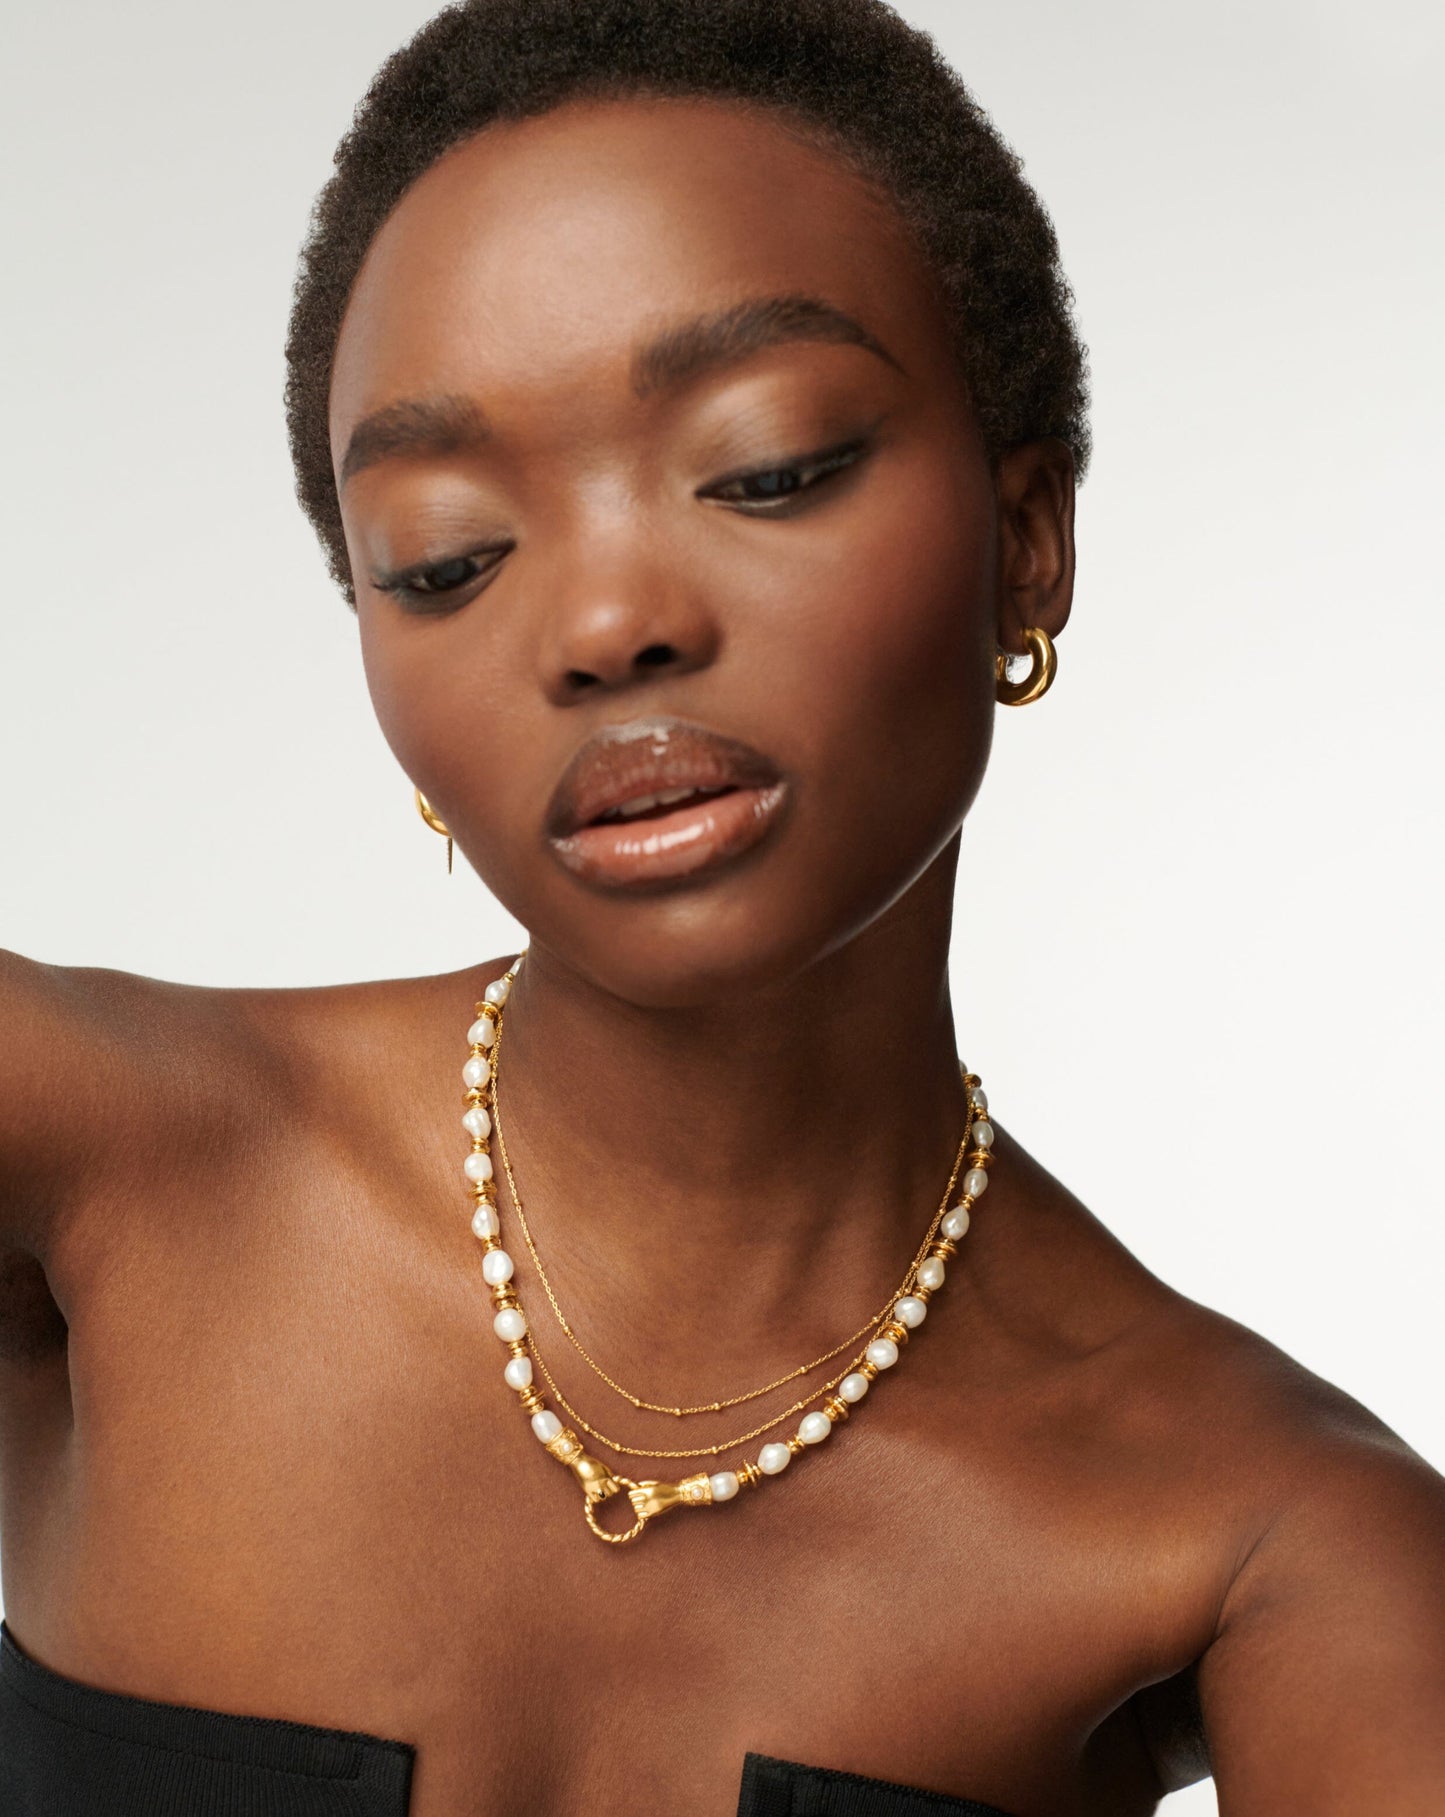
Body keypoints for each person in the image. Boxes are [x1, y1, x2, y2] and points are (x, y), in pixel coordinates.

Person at [2, 0, 1442, 1812]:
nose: (608, 625)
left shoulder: (1259, 1532)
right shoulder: (95, 1152)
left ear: (1028, 539)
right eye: (446, 558)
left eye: (765, 467)